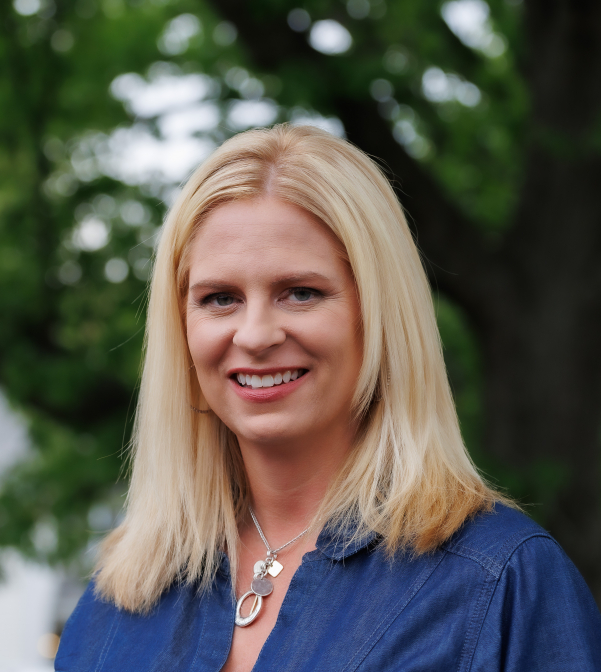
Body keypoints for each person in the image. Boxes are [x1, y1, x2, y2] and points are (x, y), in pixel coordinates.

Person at [55, 125, 601, 671]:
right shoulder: (118, 603)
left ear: (380, 316)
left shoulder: (501, 582)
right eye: (220, 298)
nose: (255, 335)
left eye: (301, 293)